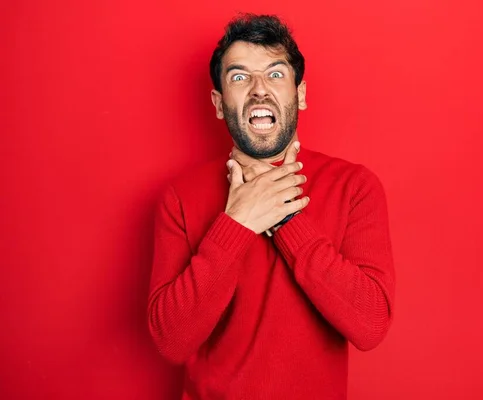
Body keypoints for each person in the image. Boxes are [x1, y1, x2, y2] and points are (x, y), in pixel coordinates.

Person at [147, 13, 395, 400]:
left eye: (275, 74)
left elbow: (371, 325)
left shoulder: (355, 187)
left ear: (300, 94)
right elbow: (171, 341)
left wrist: (286, 216)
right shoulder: (179, 197)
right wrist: (238, 221)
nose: (259, 90)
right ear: (218, 102)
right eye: (239, 77)